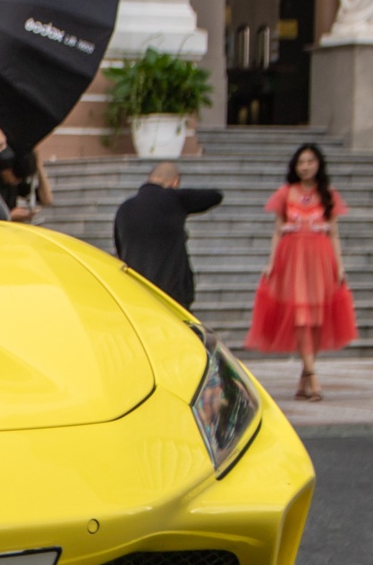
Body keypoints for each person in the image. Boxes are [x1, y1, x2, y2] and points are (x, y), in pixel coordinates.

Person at [245, 143, 357, 400]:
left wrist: (339, 266)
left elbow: (334, 234)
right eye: (301, 163)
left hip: (320, 258)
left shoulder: (328, 194)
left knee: (316, 320)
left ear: (318, 164)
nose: (305, 167)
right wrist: (271, 262)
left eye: (309, 161)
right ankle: (312, 376)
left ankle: (305, 373)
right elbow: (277, 230)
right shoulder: (285, 193)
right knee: (300, 317)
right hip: (291, 257)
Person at [112, 161, 223, 310]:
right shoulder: (174, 200)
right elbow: (215, 196)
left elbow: (120, 248)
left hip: (136, 291)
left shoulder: (124, 209)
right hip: (171, 292)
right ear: (175, 182)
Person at [0, 145, 54, 223]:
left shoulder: (15, 184)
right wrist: (10, 216)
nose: (16, 181)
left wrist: (38, 164)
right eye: (16, 177)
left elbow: (47, 200)